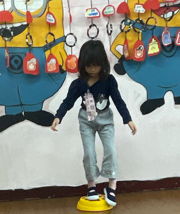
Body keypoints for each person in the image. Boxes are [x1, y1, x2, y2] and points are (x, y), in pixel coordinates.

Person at [51, 39, 137, 205]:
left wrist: (128, 119)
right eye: (88, 66)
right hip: (86, 121)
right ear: (82, 65)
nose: (92, 70)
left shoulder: (109, 81)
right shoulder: (78, 84)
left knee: (110, 150)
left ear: (102, 64)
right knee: (89, 153)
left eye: (96, 66)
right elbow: (68, 102)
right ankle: (91, 185)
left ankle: (112, 186)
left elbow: (118, 101)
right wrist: (58, 117)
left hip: (106, 120)